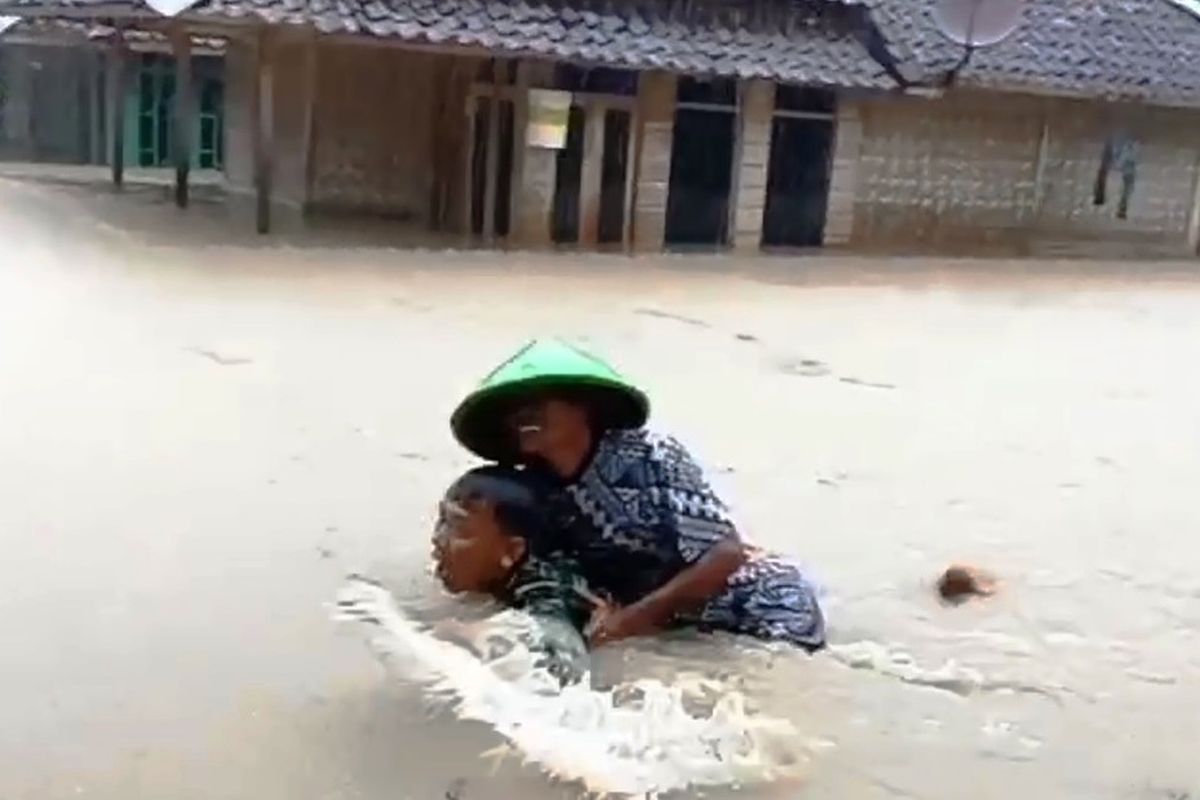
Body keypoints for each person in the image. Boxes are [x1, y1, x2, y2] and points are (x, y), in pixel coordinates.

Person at [449, 339, 826, 653]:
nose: (520, 417)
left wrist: (632, 620)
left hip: (762, 605)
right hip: (674, 623)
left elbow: (725, 554)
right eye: (512, 411)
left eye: (535, 404)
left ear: (585, 407)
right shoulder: (537, 488)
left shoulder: (653, 456)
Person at [431, 465, 596, 683]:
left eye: (460, 529)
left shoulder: (549, 587)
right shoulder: (509, 574)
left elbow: (564, 664)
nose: (437, 538)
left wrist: (477, 636)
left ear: (511, 551)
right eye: (443, 520)